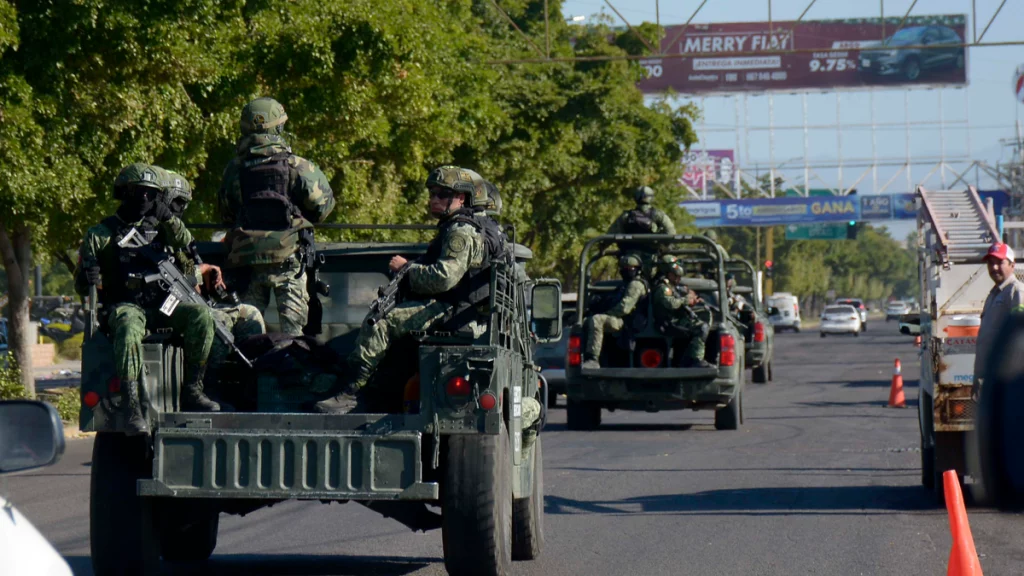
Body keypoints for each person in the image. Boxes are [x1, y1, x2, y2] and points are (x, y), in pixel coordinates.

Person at [314, 165, 489, 413]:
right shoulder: (456, 227)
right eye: (432, 194)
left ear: (460, 198)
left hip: (455, 309)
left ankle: (351, 392)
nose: (433, 199)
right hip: (458, 307)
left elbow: (443, 278)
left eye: (442, 194)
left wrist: (407, 268)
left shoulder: (460, 231)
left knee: (381, 323)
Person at [76, 164, 225, 434]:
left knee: (201, 316)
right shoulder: (100, 234)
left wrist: (168, 217)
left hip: (162, 307)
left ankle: (193, 389)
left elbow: (186, 246)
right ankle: (133, 407)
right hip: (126, 307)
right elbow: (82, 286)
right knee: (128, 323)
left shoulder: (163, 228)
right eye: (138, 192)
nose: (144, 199)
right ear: (124, 193)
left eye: (151, 194)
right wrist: (89, 278)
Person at [218, 97, 336, 336]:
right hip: (289, 262)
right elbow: (323, 207)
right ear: (278, 128)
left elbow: (226, 213)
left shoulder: (234, 170)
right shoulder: (299, 167)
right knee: (294, 338)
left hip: (247, 265)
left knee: (246, 337)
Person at [973, 242, 1024, 399]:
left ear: (1012, 265)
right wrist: (977, 378)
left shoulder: (1016, 291)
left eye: (999, 262)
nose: (994, 267)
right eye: (990, 263)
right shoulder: (995, 294)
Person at [582, 255, 649, 369]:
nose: (626, 271)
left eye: (630, 268)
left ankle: (593, 359)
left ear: (637, 269)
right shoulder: (625, 285)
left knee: (597, 320)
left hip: (628, 322)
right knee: (588, 320)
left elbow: (624, 308)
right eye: (624, 268)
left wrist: (607, 313)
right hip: (622, 320)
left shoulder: (636, 284)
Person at [653, 260, 712, 368]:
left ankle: (686, 359)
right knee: (701, 328)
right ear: (669, 274)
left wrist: (691, 301)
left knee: (701, 321)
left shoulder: (671, 287)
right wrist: (686, 300)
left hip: (674, 320)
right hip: (667, 323)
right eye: (676, 276)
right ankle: (696, 359)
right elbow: (671, 304)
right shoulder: (663, 288)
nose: (678, 279)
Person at [607, 186, 676, 235]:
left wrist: (602, 248)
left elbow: (609, 235)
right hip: (655, 253)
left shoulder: (626, 216)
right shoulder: (658, 215)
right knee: (670, 256)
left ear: (635, 198)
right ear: (651, 198)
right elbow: (671, 232)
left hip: (630, 252)